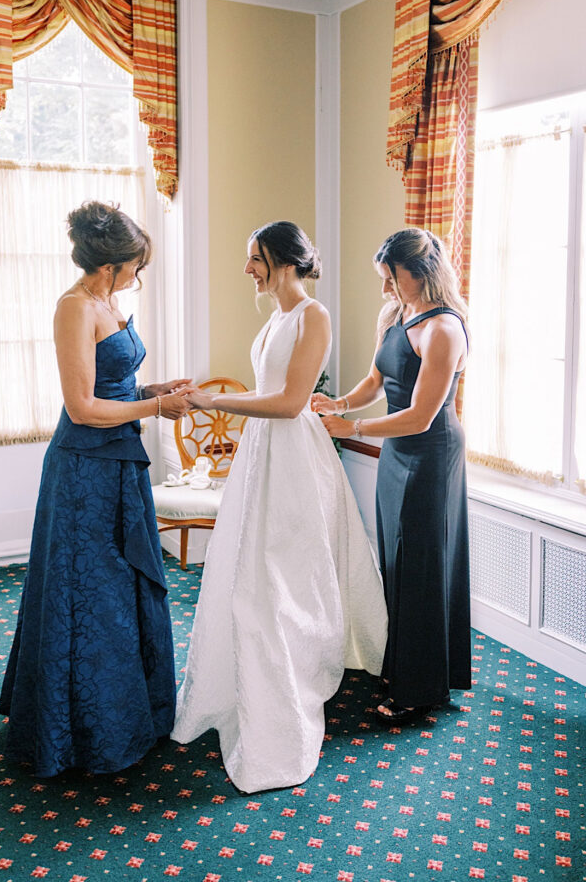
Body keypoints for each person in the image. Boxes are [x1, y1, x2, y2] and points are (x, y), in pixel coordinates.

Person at [171, 221, 386, 792]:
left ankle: (289, 681)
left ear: (284, 261)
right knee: (247, 571)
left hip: (293, 457)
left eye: (255, 259)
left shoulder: (313, 316)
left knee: (284, 576)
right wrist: (203, 396)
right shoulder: (275, 318)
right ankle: (239, 680)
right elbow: (268, 390)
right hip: (261, 454)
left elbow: (291, 403)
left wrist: (214, 399)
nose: (248, 270)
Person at [0, 201, 191, 777]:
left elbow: (113, 383)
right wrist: (158, 406)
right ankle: (81, 730)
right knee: (91, 592)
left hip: (120, 461)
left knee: (123, 588)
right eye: (135, 265)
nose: (139, 276)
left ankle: (133, 714)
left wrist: (155, 387)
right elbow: (82, 407)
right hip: (85, 470)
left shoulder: (108, 303)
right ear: (110, 265)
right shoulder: (74, 308)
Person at [315, 227, 470, 725]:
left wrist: (353, 425)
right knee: (398, 563)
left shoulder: (444, 329)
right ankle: (407, 665)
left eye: (392, 278)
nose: (386, 288)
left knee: (422, 566)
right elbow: (377, 380)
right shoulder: (397, 315)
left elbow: (422, 415)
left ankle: (420, 689)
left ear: (420, 273)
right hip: (396, 453)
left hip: (429, 451)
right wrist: (339, 402)